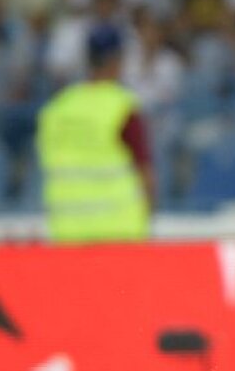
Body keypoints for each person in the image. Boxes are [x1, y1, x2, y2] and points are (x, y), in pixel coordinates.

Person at [36, 24, 153, 243]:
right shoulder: (123, 108)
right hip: (120, 232)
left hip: (67, 233)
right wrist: (148, 216)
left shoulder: (56, 110)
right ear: (117, 60)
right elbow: (145, 172)